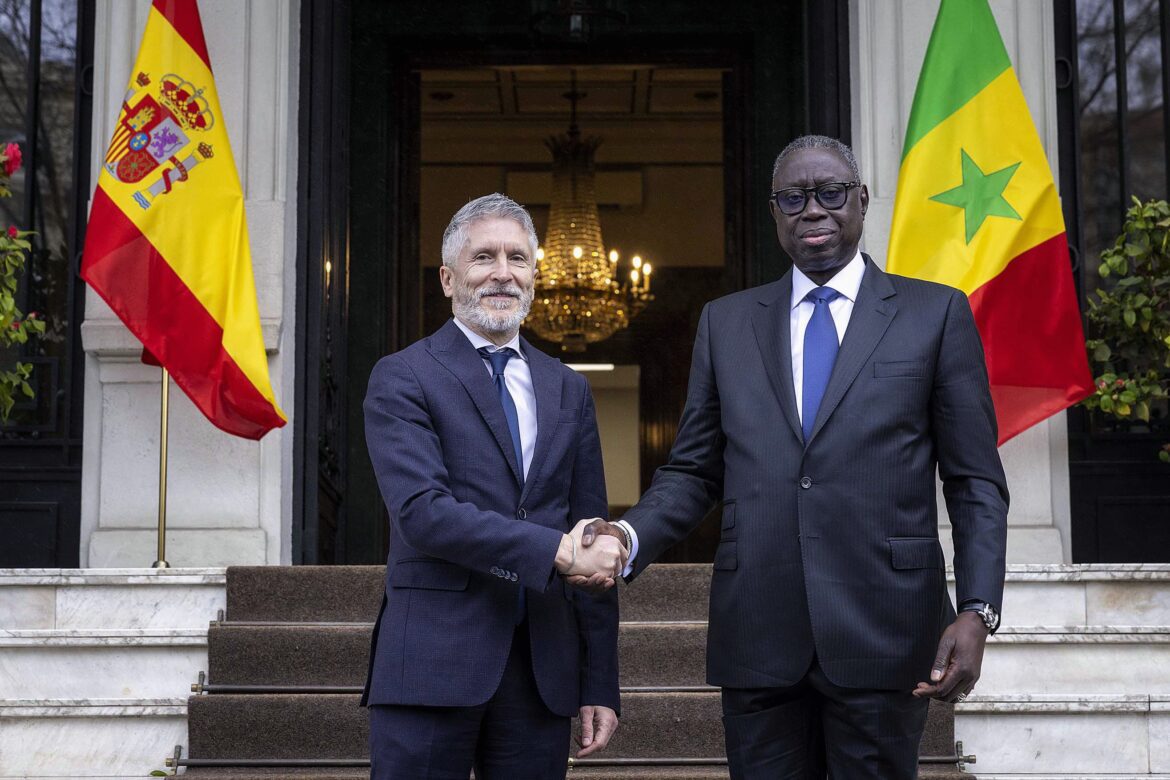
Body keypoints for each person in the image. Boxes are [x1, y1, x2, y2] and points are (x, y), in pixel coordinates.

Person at [573, 135, 1008, 778]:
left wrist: (977, 609)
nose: (814, 210)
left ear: (861, 200)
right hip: (759, 634)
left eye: (831, 192)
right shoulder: (726, 323)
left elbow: (975, 482)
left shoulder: (935, 313)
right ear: (774, 213)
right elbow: (694, 471)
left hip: (886, 627)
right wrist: (626, 536)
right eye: (794, 198)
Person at [362, 193, 627, 779]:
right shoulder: (403, 375)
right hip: (431, 660)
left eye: (518, 258)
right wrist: (553, 551)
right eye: (484, 257)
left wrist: (599, 681)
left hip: (543, 668)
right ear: (448, 278)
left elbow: (590, 532)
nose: (503, 272)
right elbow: (423, 512)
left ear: (534, 276)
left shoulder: (569, 388)